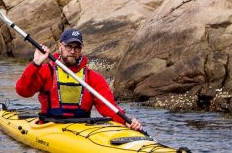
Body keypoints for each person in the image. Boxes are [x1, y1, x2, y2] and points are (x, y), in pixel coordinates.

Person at [15, 27, 143, 131]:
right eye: (69, 47)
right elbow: (22, 91)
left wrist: (126, 122)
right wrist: (35, 64)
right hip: (49, 126)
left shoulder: (93, 77)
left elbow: (108, 107)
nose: (72, 51)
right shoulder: (46, 71)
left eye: (77, 48)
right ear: (60, 46)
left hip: (82, 128)